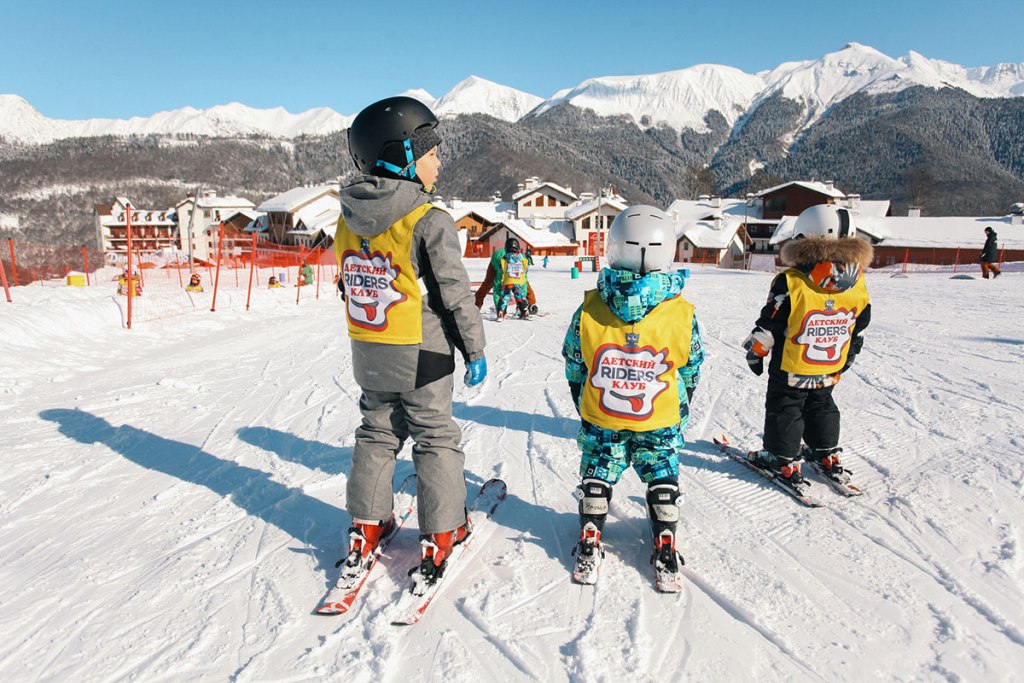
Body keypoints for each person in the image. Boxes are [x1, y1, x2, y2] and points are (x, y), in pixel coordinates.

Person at [335, 96, 487, 589]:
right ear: (402, 155)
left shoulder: (347, 217)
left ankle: (367, 524)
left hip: (369, 348)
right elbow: (454, 293)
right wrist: (475, 349)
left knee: (377, 432)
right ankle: (443, 530)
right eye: (430, 151)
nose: (439, 161)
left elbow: (350, 282)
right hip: (421, 352)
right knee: (434, 436)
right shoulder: (428, 218)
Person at [562, 205, 704, 589]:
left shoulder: (590, 308)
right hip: (658, 417)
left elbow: (575, 362)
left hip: (603, 414)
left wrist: (584, 402)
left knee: (600, 465)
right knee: (660, 466)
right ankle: (666, 537)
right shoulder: (682, 314)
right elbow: (690, 368)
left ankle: (591, 533)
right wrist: (680, 407)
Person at [742, 204, 873, 490]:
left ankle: (781, 457)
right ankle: (825, 452)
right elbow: (859, 325)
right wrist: (848, 356)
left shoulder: (791, 282)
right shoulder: (858, 283)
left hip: (793, 363)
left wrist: (756, 350)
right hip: (830, 362)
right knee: (822, 404)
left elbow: (772, 322)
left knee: (786, 406)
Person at [474, 237, 539, 315]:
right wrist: (499, 308)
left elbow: (524, 283)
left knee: (521, 282)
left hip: (509, 267)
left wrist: (520, 307)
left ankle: (531, 303)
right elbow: (497, 287)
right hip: (496, 265)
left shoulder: (521, 260)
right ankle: (475, 305)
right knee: (488, 283)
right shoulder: (500, 262)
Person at [497, 239, 531, 320]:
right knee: (520, 296)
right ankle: (524, 311)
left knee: (505, 297)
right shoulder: (522, 259)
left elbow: (501, 269)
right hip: (519, 281)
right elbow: (526, 268)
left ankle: (501, 312)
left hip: (508, 282)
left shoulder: (504, 259)